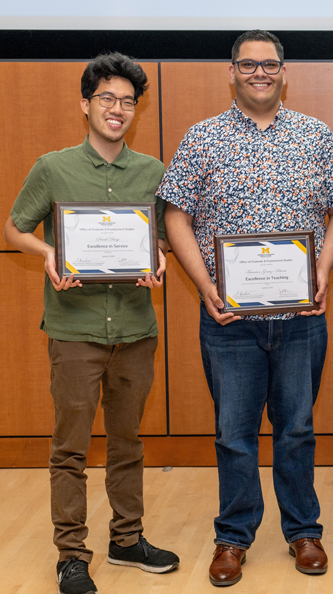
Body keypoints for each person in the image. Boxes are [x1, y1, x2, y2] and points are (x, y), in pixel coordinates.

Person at [157, 30, 333, 587]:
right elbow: (176, 215)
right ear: (233, 72)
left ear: (284, 72)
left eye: (269, 64)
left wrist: (322, 272)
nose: (260, 72)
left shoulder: (315, 136)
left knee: (297, 429)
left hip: (299, 321)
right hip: (229, 322)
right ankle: (232, 537)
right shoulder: (202, 138)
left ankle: (303, 531)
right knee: (233, 433)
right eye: (249, 64)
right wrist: (205, 287)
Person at [3, 53, 178, 594]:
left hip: (134, 328)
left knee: (128, 442)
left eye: (127, 101)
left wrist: (162, 257)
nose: (118, 109)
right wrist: (49, 254)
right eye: (107, 98)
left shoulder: (152, 171)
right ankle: (71, 555)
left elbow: (167, 238)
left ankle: (127, 539)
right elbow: (14, 229)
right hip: (74, 330)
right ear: (86, 104)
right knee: (70, 448)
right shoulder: (53, 167)